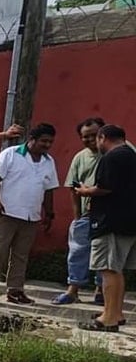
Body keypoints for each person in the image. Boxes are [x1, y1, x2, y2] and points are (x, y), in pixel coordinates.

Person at [0, 123, 59, 306]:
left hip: (31, 215)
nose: (47, 145)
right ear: (32, 139)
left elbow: (48, 189)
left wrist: (49, 213)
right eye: (44, 141)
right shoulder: (11, 154)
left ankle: (15, 291)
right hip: (6, 212)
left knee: (21, 256)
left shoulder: (49, 161)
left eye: (50, 142)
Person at [75, 125, 136, 332]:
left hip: (110, 222)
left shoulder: (111, 157)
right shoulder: (131, 155)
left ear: (103, 137)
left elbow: (105, 188)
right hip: (129, 222)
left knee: (107, 270)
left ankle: (108, 318)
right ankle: (116, 313)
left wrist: (85, 191)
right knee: (117, 270)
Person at [52, 117, 106, 305]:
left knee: (104, 253)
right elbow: (73, 188)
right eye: (85, 136)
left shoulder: (118, 153)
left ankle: (101, 290)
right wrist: (77, 217)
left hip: (110, 215)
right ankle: (73, 290)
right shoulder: (79, 157)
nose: (90, 139)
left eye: (94, 135)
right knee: (77, 251)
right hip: (85, 215)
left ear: (103, 133)